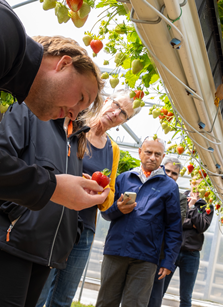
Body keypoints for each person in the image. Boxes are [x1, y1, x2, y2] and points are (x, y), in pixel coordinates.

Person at [36, 89, 141, 307]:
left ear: (124, 121)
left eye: (123, 114)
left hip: (84, 227)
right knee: (41, 288)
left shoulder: (113, 149)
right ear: (108, 100)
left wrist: (98, 193)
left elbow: (108, 198)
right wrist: (77, 179)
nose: (116, 113)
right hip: (55, 217)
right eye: (116, 105)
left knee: (64, 297)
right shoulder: (75, 125)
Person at [0, 2, 108, 211]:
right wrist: (54, 188)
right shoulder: (6, 32)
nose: (73, 113)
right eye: (81, 98)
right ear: (64, 64)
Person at [0, 102, 90, 307]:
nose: (83, 105)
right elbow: (4, 161)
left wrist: (72, 230)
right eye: (82, 95)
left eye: (89, 101)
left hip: (48, 251)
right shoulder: (29, 111)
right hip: (16, 241)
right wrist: (17, 215)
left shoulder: (77, 136)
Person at [95, 137, 182, 307]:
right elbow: (105, 212)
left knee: (135, 304)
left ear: (163, 157)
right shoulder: (123, 178)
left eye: (157, 154)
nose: (152, 157)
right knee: (106, 302)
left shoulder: (169, 187)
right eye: (148, 152)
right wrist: (117, 209)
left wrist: (168, 260)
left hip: (146, 257)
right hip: (116, 251)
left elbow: (174, 227)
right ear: (140, 152)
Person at [162, 185, 213, 307]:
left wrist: (191, 207)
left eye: (202, 183)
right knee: (160, 289)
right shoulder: (179, 198)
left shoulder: (208, 205)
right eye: (196, 182)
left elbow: (202, 226)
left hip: (191, 254)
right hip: (172, 252)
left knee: (186, 296)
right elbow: (173, 221)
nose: (198, 186)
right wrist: (193, 223)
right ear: (192, 183)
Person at [148, 156, 188, 307]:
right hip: (141, 248)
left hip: (160, 253)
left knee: (154, 296)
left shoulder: (180, 198)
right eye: (168, 171)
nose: (170, 175)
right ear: (161, 169)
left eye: (174, 173)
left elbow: (176, 224)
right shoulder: (150, 187)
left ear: (178, 176)